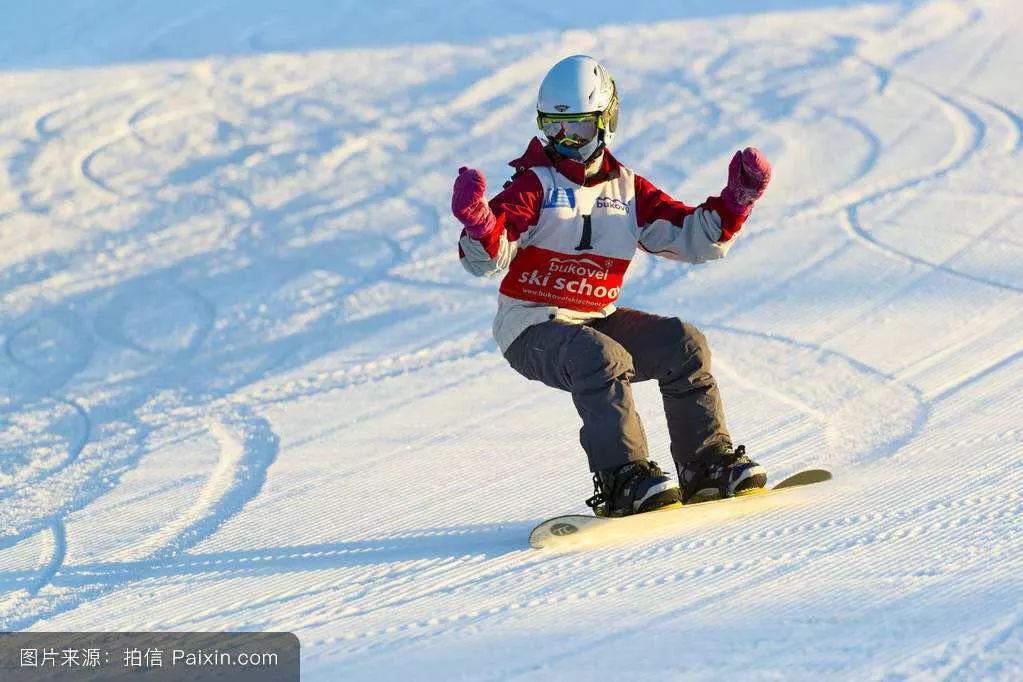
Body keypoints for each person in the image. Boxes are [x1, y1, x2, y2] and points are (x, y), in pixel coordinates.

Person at [451, 55, 772, 517]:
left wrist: (736, 203)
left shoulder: (626, 190)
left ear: (606, 122)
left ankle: (705, 466)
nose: (565, 142)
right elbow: (489, 257)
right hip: (532, 329)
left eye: (578, 129)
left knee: (683, 344)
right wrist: (481, 226)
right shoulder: (532, 186)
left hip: (594, 319)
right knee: (601, 357)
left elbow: (690, 237)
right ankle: (624, 478)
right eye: (554, 129)